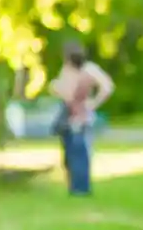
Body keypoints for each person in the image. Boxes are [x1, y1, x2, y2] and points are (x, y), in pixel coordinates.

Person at [49, 42, 115, 196]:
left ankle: (80, 188)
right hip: (75, 116)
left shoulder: (77, 71)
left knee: (78, 153)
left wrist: (56, 87)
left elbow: (69, 95)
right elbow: (107, 87)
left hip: (77, 116)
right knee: (73, 153)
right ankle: (76, 187)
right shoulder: (88, 69)